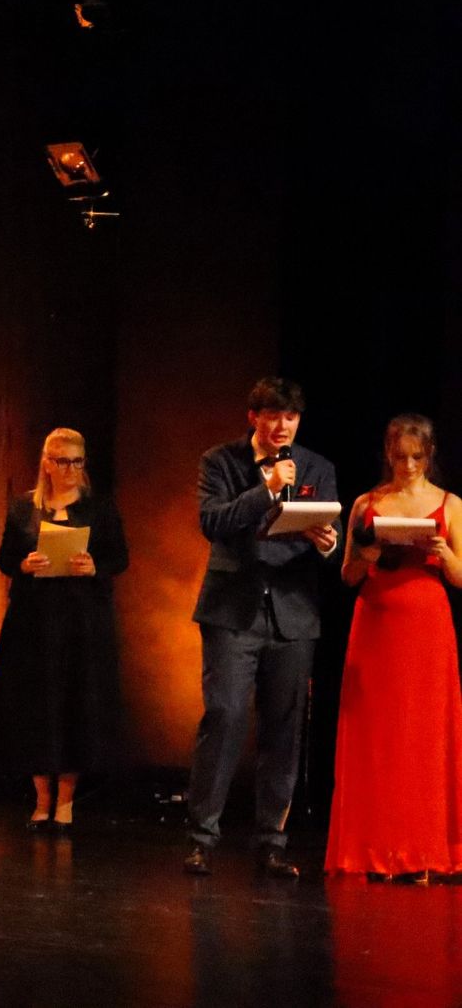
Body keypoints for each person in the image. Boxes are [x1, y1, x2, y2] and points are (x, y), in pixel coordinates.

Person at [184, 377, 339, 879]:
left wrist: (327, 542)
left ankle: (272, 841)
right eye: (272, 416)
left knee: (284, 729)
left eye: (290, 417)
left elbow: (329, 529)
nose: (282, 426)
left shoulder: (317, 467)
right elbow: (213, 522)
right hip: (234, 610)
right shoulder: (221, 461)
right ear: (254, 417)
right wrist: (267, 489)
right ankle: (202, 837)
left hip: (293, 612)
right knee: (225, 716)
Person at [326, 414, 462, 881]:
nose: (408, 466)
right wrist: (366, 557)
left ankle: (421, 852)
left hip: (426, 624)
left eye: (416, 457)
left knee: (422, 736)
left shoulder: (450, 503)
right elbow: (347, 575)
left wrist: (446, 556)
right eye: (400, 456)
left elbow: (461, 576)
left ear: (429, 456)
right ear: (388, 454)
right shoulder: (367, 503)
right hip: (377, 622)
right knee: (377, 736)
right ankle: (373, 851)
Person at [0, 428, 128, 834]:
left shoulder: (98, 507)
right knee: (36, 710)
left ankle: (66, 802)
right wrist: (25, 564)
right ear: (46, 463)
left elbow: (119, 557)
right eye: (63, 462)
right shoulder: (24, 507)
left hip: (81, 624)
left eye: (77, 462)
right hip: (34, 623)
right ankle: (41, 800)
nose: (70, 470)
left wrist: (94, 566)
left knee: (76, 708)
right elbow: (5, 559)